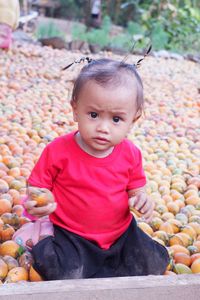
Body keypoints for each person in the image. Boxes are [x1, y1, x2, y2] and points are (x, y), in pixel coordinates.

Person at [22, 57, 169, 280]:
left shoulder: (131, 154)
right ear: (75, 110)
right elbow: (36, 186)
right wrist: (36, 203)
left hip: (121, 234)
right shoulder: (57, 150)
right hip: (72, 234)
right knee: (62, 272)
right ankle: (42, 238)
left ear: (133, 120)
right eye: (93, 115)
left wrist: (142, 201)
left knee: (155, 262)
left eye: (117, 119)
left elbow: (136, 191)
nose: (103, 128)